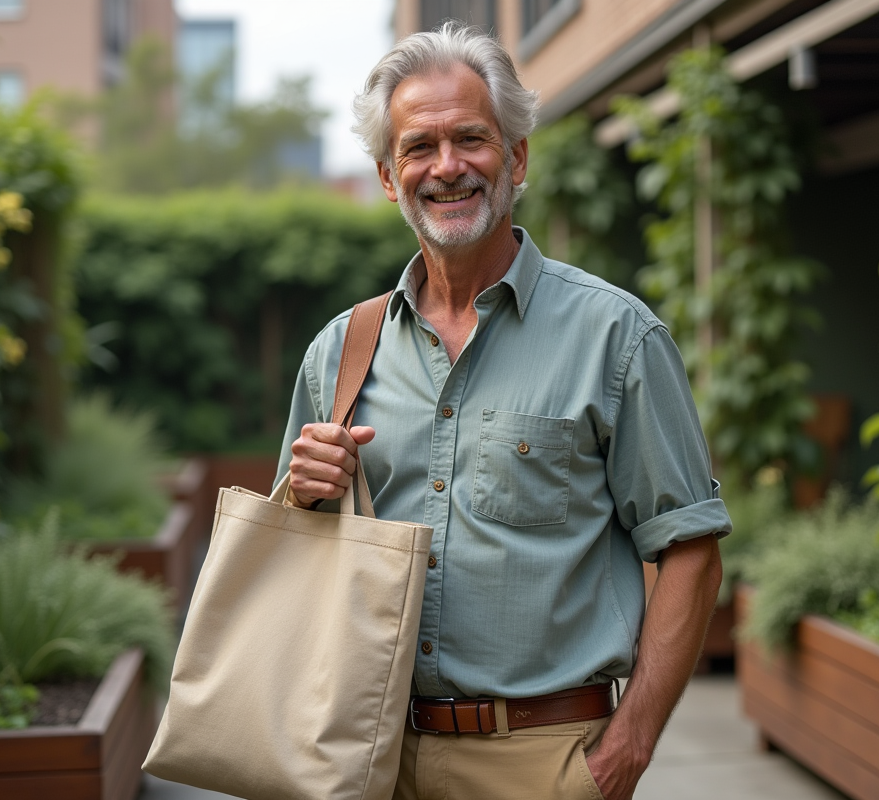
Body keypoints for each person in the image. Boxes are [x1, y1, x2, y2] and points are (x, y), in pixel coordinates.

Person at [276, 22, 731, 800]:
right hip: (368, 758)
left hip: (544, 761)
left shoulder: (616, 337)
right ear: (389, 176)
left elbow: (690, 549)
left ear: (515, 158)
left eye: (471, 139)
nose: (446, 167)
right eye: (418, 147)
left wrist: (629, 749)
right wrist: (302, 496)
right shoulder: (339, 352)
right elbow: (294, 561)